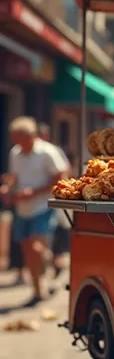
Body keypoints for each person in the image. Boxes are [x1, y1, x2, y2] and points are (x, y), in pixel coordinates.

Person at [0, 117, 68, 305]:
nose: (16, 143)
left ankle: (50, 264)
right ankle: (39, 290)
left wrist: (33, 192)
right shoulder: (16, 153)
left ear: (30, 136)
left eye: (19, 138)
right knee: (27, 250)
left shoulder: (47, 152)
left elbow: (60, 177)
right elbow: (14, 176)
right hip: (22, 208)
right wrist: (7, 187)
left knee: (35, 248)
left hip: (42, 206)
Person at [38, 123, 72, 277]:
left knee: (53, 238)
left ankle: (54, 264)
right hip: (36, 203)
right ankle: (51, 265)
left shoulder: (52, 151)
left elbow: (64, 170)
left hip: (51, 201)